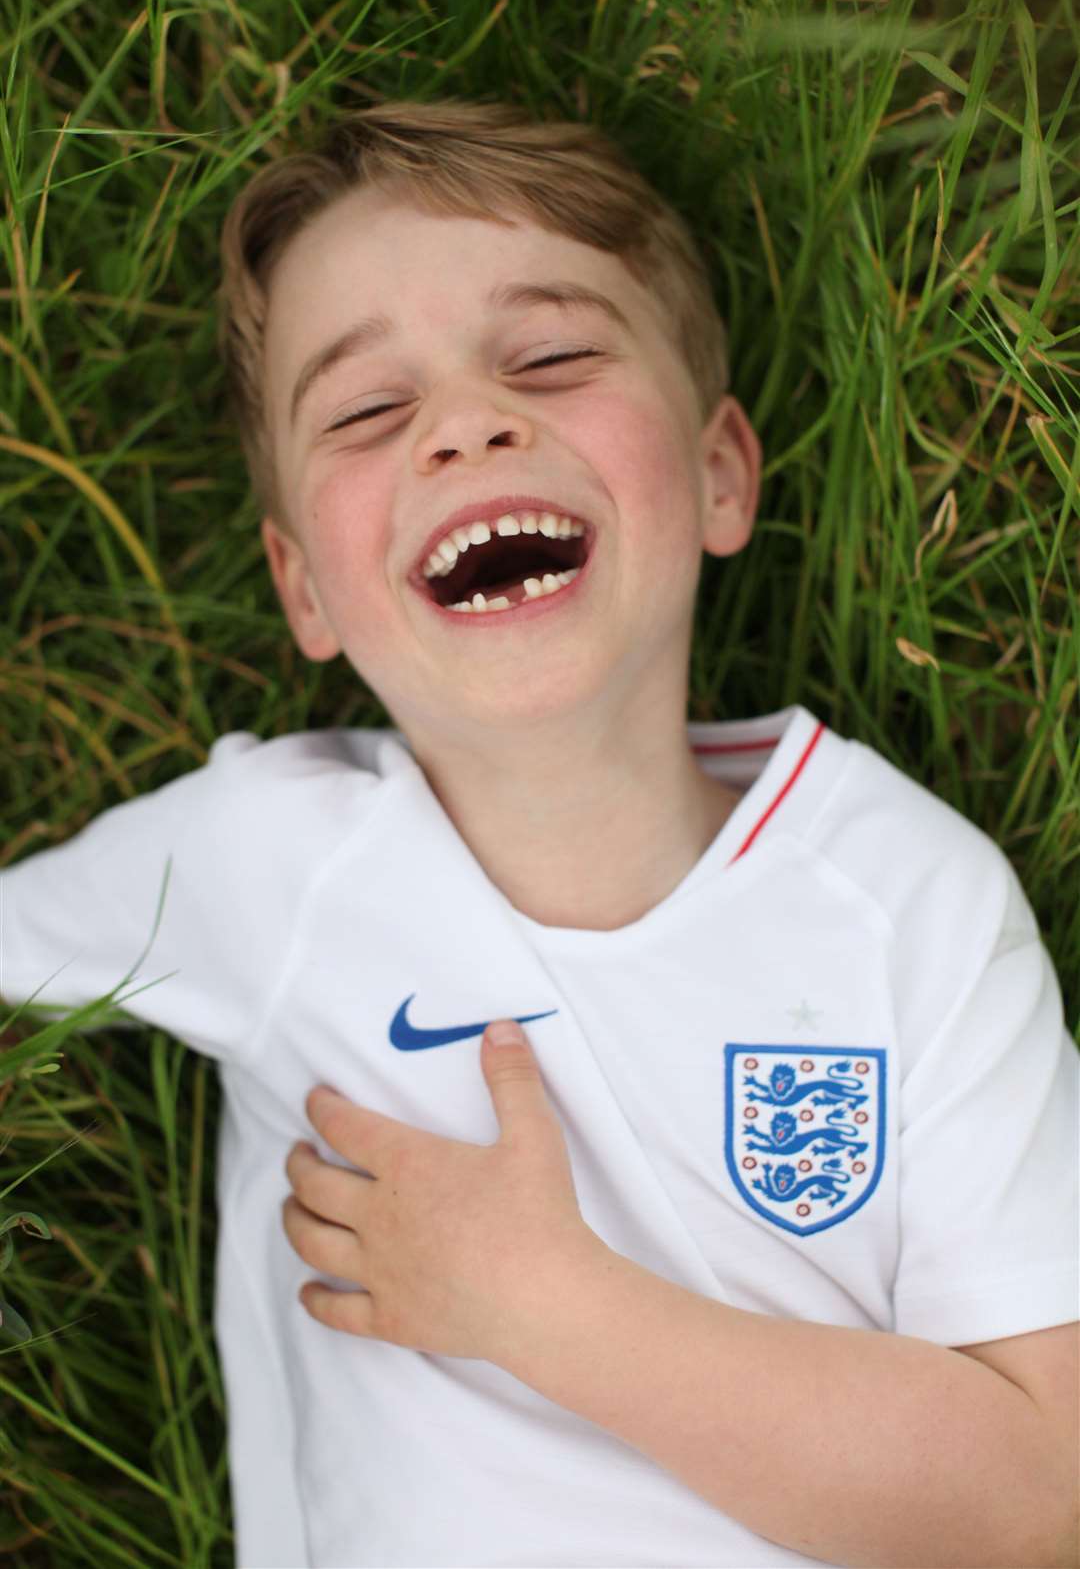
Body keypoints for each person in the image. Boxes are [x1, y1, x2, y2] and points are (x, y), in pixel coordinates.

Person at [2, 97, 1077, 1569]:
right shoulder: (272, 862)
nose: (465, 423)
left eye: (553, 358)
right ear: (304, 587)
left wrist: (550, 1310)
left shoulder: (912, 905)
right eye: (370, 411)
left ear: (718, 474)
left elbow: (1040, 1499)